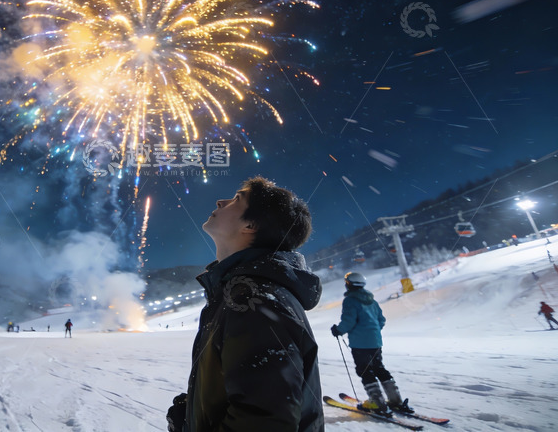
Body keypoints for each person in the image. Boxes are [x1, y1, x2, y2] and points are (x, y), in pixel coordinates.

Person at [167, 176, 324, 432]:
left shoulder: (254, 300)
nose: (221, 201)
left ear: (250, 225)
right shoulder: (243, 291)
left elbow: (264, 421)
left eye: (237, 200)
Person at [330, 273, 413, 416]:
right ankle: (396, 401)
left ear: (349, 284)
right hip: (375, 342)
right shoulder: (372, 301)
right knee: (379, 369)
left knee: (365, 370)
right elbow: (381, 320)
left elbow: (349, 321)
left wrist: (338, 330)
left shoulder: (350, 300)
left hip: (360, 344)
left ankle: (377, 403)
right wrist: (371, 333)